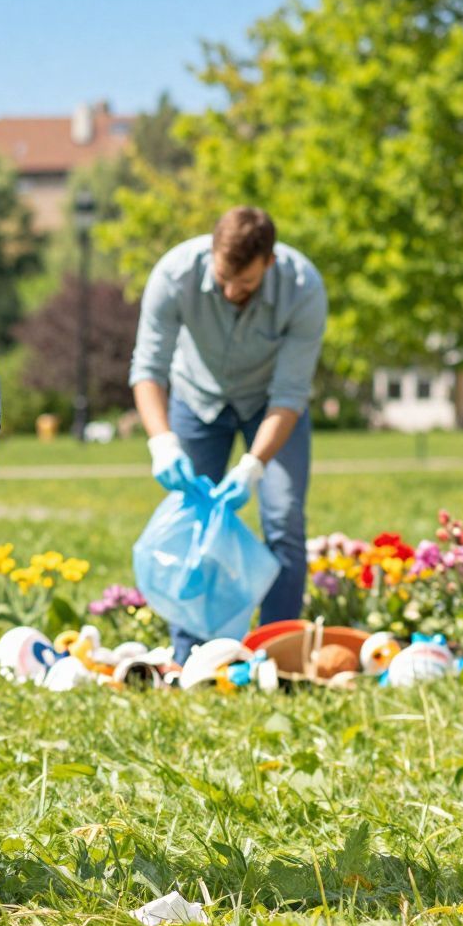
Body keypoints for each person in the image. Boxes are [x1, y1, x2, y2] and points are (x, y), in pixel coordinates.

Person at [128, 206, 328, 666]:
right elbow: (148, 369)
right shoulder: (174, 275)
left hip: (270, 407)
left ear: (270, 263)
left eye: (246, 284)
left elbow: (291, 392)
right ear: (212, 252)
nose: (231, 291)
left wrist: (254, 465)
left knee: (284, 518)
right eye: (223, 279)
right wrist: (162, 441)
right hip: (197, 399)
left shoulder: (304, 288)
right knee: (192, 522)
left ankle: (278, 656)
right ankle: (192, 655)